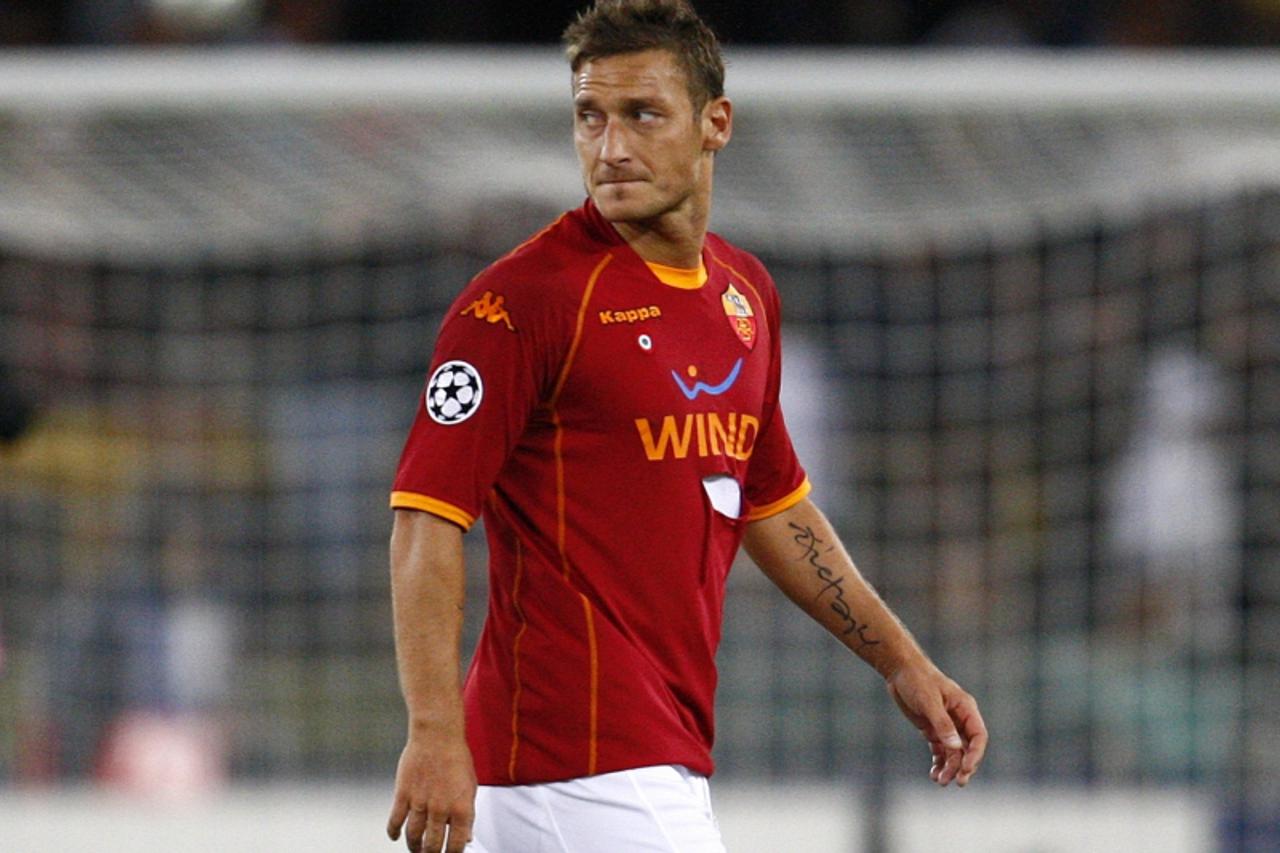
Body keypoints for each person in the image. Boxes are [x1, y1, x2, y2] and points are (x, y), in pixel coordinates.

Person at [385, 2, 987, 850]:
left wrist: (902, 660)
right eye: (590, 117)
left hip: (650, 752)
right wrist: (435, 733)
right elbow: (425, 518)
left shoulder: (743, 295)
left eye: (642, 115)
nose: (611, 147)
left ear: (716, 125)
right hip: (570, 756)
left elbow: (773, 505)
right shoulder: (522, 302)